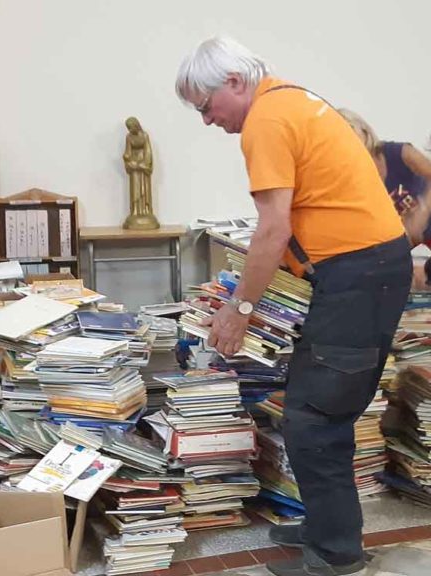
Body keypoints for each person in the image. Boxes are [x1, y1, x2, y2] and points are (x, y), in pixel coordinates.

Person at [176, 37, 411, 576]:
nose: (207, 120)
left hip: (358, 277)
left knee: (314, 416)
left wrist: (240, 309)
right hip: (368, 272)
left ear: (233, 82)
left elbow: (274, 226)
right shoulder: (293, 100)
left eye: (206, 106)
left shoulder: (266, 120)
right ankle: (328, 526)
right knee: (320, 405)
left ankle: (336, 554)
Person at [339, 108, 431, 246]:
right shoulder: (352, 181)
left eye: (350, 133)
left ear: (364, 131)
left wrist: (422, 211)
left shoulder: (400, 153)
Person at [122, 117, 159, 229]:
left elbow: (148, 150)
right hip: (134, 165)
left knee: (145, 189)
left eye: (131, 127)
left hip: (143, 163)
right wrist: (127, 157)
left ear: (136, 125)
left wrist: (145, 163)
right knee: (135, 189)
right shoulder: (128, 137)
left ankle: (146, 211)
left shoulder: (144, 136)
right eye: (128, 128)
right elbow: (128, 151)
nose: (130, 130)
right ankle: (135, 211)